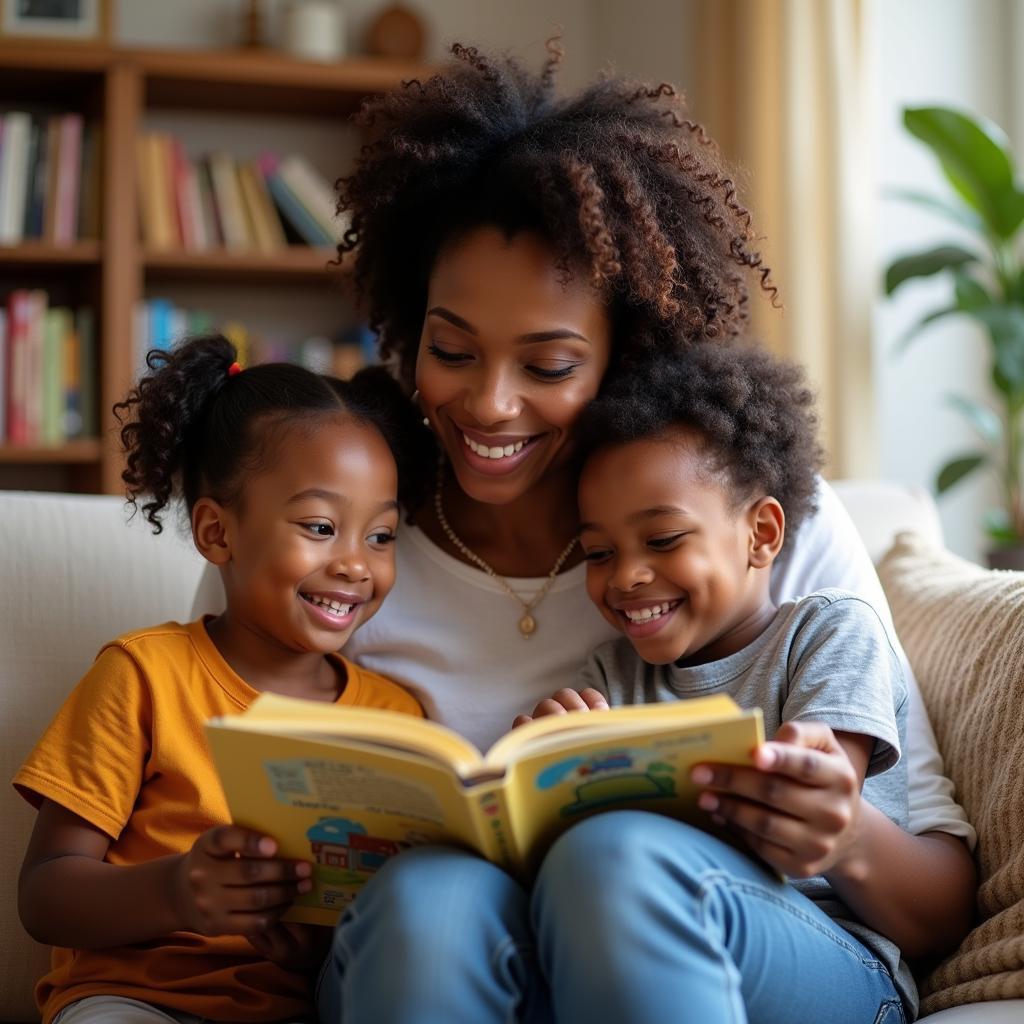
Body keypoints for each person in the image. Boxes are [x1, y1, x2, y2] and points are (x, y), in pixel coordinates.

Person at [179, 41, 972, 1021]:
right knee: (431, 898)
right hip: (439, 962)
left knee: (614, 858)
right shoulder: (325, 540)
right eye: (450, 349)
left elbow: (935, 906)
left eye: (547, 365)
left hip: (758, 953)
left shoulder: (757, 518)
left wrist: (837, 831)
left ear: (624, 351)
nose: (488, 404)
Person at [14, 335, 428, 1024]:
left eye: (381, 536)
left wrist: (310, 944)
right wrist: (178, 891)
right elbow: (44, 895)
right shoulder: (144, 674)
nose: (358, 565)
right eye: (322, 526)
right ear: (217, 532)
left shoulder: (394, 715)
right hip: (133, 1000)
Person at [512, 341, 912, 1020]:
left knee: (616, 859)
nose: (627, 576)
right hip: (655, 948)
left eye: (663, 540)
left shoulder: (827, 635)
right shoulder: (611, 675)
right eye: (599, 553)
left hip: (833, 961)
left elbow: (801, 834)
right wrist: (541, 772)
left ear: (761, 533)